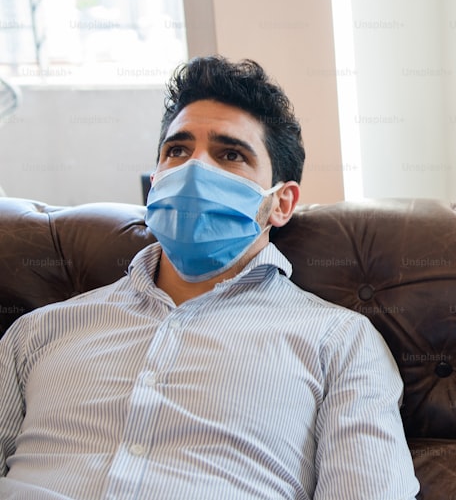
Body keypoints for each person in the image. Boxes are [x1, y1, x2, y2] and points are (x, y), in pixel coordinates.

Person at [0, 57, 420, 499]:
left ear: (280, 202)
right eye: (177, 151)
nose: (193, 170)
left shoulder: (339, 343)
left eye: (230, 154)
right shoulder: (36, 332)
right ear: (157, 176)